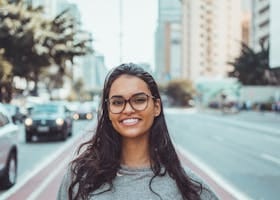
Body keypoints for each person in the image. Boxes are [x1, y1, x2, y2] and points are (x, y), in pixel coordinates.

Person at [57, 63, 219, 200]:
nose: (128, 109)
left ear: (156, 107)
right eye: (118, 102)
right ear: (108, 110)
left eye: (139, 100)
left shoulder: (189, 188)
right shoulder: (78, 178)